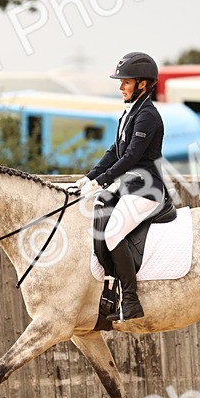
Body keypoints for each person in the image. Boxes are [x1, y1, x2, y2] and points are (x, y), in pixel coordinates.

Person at [72, 51, 166, 322]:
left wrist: (101, 181)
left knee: (113, 233)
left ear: (143, 84)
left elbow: (131, 157)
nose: (120, 86)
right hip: (128, 186)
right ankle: (108, 292)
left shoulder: (148, 116)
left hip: (145, 189)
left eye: (126, 82)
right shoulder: (130, 113)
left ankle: (131, 299)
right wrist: (89, 177)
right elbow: (115, 151)